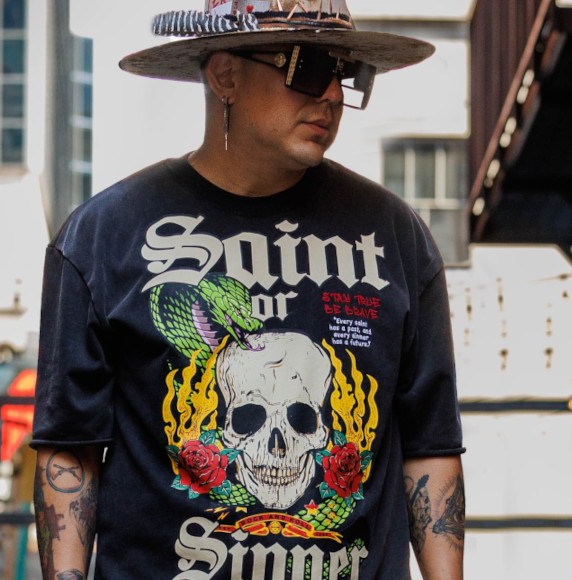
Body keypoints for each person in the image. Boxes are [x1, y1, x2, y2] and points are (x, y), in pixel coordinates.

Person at [31, 1, 464, 578]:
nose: (331, 95)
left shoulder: (394, 237)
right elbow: (70, 449)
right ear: (225, 75)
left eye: (344, 72)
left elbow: (430, 446)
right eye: (307, 68)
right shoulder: (104, 236)